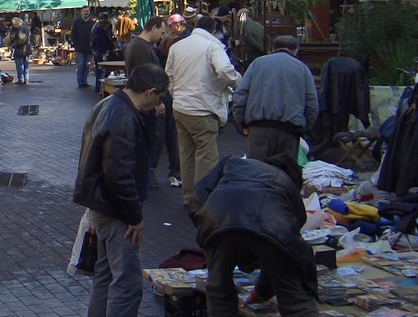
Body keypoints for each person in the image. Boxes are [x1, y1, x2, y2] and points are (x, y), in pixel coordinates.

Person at [193, 153, 342, 317]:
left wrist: (206, 226)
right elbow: (285, 246)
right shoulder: (287, 185)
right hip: (269, 231)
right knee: (296, 302)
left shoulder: (233, 163)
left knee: (218, 291)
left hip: (217, 220)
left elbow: (198, 193)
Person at [73, 63, 169, 317]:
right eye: (159, 98)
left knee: (105, 274)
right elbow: (119, 175)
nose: (159, 104)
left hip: (100, 204)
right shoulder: (123, 117)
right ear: (150, 92)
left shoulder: (110, 105)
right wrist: (134, 215)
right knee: (127, 280)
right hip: (114, 208)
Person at [164, 15, 241, 209]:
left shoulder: (177, 46)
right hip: (202, 108)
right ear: (213, 29)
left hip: (180, 108)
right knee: (206, 156)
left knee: (186, 154)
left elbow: (169, 77)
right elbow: (225, 70)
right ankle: (202, 199)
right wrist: (238, 81)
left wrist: (177, 94)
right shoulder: (212, 47)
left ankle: (189, 197)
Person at [232, 34, 318, 162]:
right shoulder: (302, 68)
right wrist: (303, 126)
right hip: (289, 131)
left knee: (256, 173)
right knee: (283, 176)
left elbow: (240, 95)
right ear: (296, 50)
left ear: (272, 49)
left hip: (259, 129)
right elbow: (312, 104)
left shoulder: (257, 63)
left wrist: (242, 123)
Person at [125, 17, 181, 189]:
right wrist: (157, 103)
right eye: (161, 32)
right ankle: (148, 175)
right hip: (151, 101)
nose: (161, 36)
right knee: (156, 137)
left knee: (158, 136)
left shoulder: (138, 46)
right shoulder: (140, 48)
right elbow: (146, 78)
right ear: (153, 28)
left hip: (152, 99)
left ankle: (154, 174)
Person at [71, 6, 96, 88]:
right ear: (81, 12)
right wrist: (76, 45)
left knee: (87, 65)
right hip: (80, 48)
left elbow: (94, 35)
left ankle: (84, 81)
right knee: (81, 65)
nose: (86, 13)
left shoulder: (92, 23)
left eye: (87, 11)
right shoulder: (77, 22)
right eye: (85, 11)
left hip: (89, 48)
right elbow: (73, 35)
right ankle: (80, 82)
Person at [91, 12, 115, 93]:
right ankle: (103, 89)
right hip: (105, 50)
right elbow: (108, 39)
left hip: (97, 50)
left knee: (99, 70)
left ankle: (98, 88)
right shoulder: (107, 27)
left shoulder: (95, 27)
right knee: (106, 70)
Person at [9, 16, 31, 84]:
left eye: (13, 24)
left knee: (19, 64)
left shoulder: (21, 28)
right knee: (25, 65)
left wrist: (13, 45)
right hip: (26, 48)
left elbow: (21, 39)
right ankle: (26, 79)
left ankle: (21, 79)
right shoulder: (25, 27)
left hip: (21, 49)